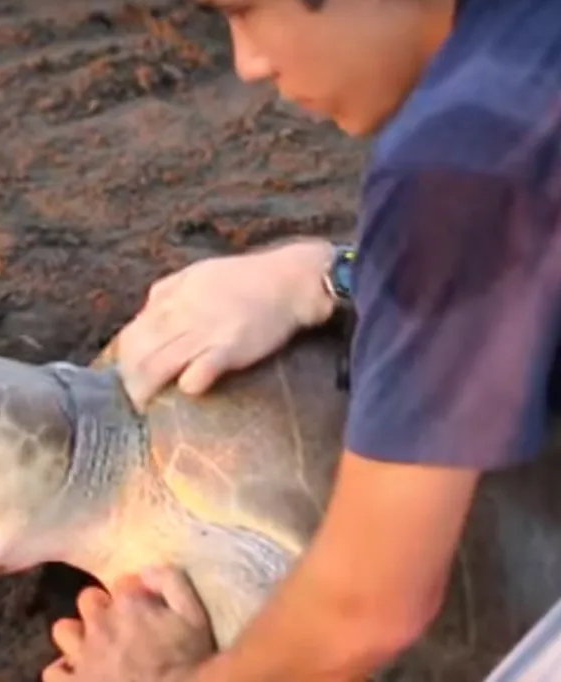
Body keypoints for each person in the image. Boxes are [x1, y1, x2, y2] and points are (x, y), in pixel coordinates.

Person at [41, 0, 561, 680]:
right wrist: (334, 272)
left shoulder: (461, 159)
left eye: (248, 12)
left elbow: (368, 609)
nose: (247, 62)